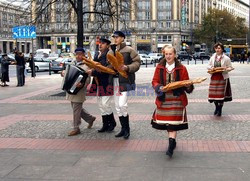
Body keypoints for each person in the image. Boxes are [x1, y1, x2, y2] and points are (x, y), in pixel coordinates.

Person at [151, 45, 194, 158]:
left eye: (170, 54)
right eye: (166, 54)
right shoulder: (159, 67)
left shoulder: (182, 68)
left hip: (177, 98)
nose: (168, 56)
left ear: (175, 55)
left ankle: (171, 145)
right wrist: (158, 87)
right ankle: (173, 141)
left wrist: (189, 86)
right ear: (164, 54)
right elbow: (154, 81)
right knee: (168, 122)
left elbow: (186, 83)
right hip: (164, 98)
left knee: (173, 124)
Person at [109, 31, 141, 139]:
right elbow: (109, 64)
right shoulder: (111, 50)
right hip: (114, 81)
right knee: (117, 106)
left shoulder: (129, 50)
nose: (115, 39)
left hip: (125, 80)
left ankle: (127, 129)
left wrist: (127, 67)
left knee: (122, 105)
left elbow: (137, 63)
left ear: (122, 38)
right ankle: (123, 129)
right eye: (114, 37)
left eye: (117, 37)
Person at [62, 48, 96, 136]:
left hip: (79, 91)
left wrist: (82, 85)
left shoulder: (87, 65)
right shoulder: (72, 63)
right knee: (76, 109)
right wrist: (63, 73)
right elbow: (68, 73)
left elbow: (88, 79)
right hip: (70, 89)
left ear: (84, 55)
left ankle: (76, 128)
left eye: (80, 54)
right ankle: (90, 118)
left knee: (76, 110)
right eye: (77, 54)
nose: (78, 56)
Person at [89, 38, 117, 133]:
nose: (100, 45)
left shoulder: (109, 54)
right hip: (98, 82)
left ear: (107, 45)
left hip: (107, 82)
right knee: (101, 105)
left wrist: (93, 71)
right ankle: (105, 124)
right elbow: (93, 65)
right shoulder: (97, 54)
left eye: (103, 43)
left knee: (105, 104)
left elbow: (107, 68)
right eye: (99, 43)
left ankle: (112, 122)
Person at [208, 43, 234, 116]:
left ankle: (220, 109)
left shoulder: (226, 58)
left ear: (222, 49)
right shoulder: (212, 57)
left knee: (220, 96)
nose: (217, 50)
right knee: (214, 95)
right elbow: (208, 66)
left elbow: (230, 67)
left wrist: (225, 69)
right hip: (214, 77)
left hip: (222, 78)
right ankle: (216, 107)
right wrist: (211, 68)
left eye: (219, 48)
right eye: (216, 48)